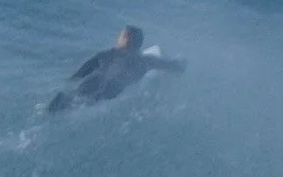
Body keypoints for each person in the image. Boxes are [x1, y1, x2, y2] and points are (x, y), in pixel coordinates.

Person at [47, 26, 183, 112]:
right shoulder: (146, 60)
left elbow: (80, 74)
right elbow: (175, 67)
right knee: (90, 101)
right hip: (112, 90)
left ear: (124, 39)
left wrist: (69, 80)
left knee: (75, 97)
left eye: (120, 35)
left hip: (90, 83)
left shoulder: (106, 54)